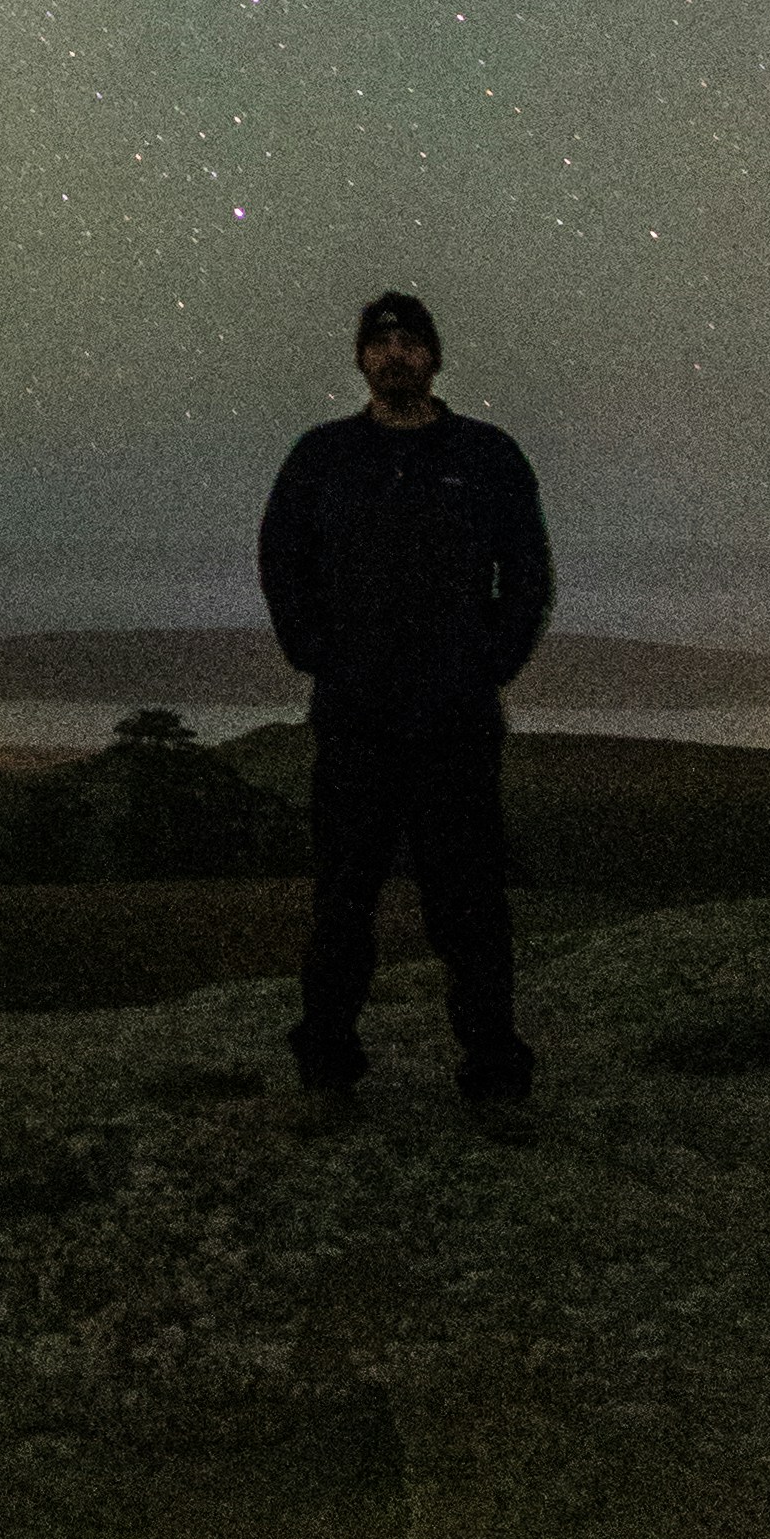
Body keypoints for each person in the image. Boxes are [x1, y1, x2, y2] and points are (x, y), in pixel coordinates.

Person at [255, 290, 552, 1111]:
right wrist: (316, 653)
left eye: (410, 342)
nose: (395, 355)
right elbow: (282, 559)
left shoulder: (486, 455)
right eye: (380, 343)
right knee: (343, 901)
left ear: (435, 357)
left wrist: (488, 662)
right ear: (361, 359)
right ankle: (326, 1069)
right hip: (356, 722)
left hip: (455, 722)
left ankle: (494, 1077)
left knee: (470, 908)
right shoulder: (324, 456)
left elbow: (527, 572)